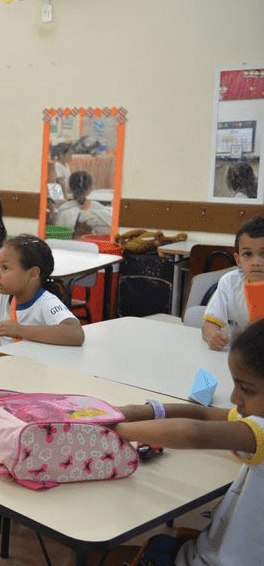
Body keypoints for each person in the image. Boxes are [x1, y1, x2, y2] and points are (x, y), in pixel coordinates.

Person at [107, 318, 264, 565]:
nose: (234, 397)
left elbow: (193, 433)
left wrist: (118, 429)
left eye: (246, 389)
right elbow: (202, 414)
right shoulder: (255, 420)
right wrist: (132, 411)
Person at [202, 216, 264, 351]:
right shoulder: (229, 282)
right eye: (248, 254)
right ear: (238, 259)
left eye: (263, 254)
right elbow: (209, 324)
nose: (256, 262)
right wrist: (213, 336)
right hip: (240, 358)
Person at [54, 170, 112, 238]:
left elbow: (57, 236)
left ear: (70, 188)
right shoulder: (101, 211)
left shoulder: (63, 209)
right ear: (90, 189)